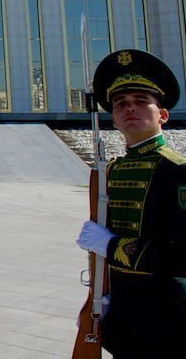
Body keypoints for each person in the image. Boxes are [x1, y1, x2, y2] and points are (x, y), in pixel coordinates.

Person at [75, 49, 186, 357]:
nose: (130, 108)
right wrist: (98, 298)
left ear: (162, 114)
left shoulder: (177, 171)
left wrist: (111, 245)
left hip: (167, 314)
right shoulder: (109, 171)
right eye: (121, 104)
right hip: (122, 312)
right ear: (113, 119)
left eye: (141, 101)